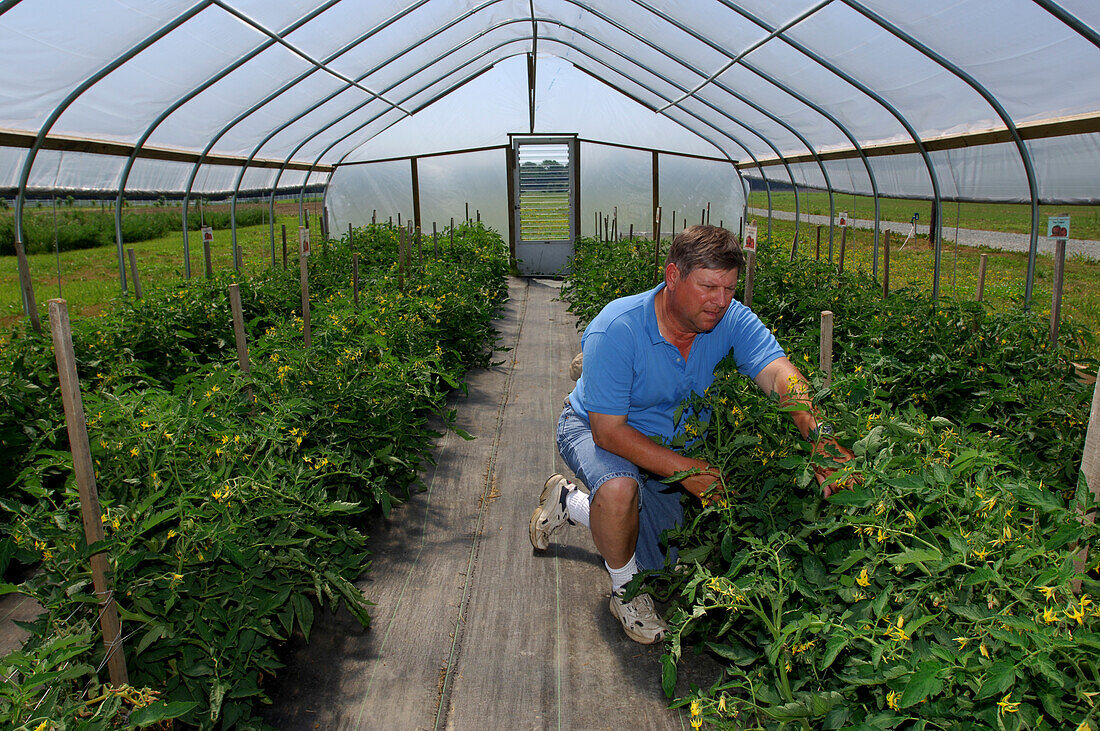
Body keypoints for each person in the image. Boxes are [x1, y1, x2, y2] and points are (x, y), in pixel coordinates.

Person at [529, 224, 855, 644]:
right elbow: (609, 433)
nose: (720, 301)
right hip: (598, 430)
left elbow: (778, 373)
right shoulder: (618, 328)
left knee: (656, 562)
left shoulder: (729, 318)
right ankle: (625, 593)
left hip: (669, 445)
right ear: (672, 277)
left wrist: (820, 440)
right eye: (708, 287)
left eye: (730, 288)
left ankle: (570, 503)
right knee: (620, 490)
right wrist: (687, 471)